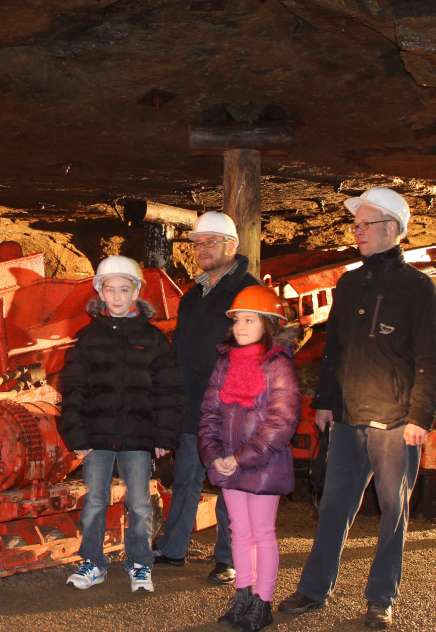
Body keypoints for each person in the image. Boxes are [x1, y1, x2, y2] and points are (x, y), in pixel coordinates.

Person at [279, 187, 435, 629]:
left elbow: (429, 358)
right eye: (356, 225)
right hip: (348, 418)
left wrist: (421, 418)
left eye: (364, 225)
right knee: (334, 505)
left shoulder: (418, 288)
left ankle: (381, 597)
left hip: (396, 422)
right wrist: (326, 403)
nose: (357, 232)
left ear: (391, 228)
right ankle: (314, 589)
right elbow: (336, 350)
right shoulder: (349, 283)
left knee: (392, 512)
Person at [58, 256, 178, 593]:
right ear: (100, 292)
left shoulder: (153, 340)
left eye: (124, 289)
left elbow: (168, 390)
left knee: (139, 503)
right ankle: (93, 562)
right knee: (95, 500)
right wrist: (76, 434)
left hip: (138, 438)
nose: (117, 296)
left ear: (137, 292)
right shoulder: (87, 338)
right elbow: (74, 389)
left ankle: (140, 564)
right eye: (110, 289)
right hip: (97, 437)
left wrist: (163, 436)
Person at [154, 211, 258, 584]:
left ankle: (228, 559)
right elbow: (182, 348)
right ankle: (174, 548)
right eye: (197, 244)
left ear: (232, 246)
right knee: (186, 478)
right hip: (192, 403)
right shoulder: (193, 295)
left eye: (210, 243)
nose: (201, 250)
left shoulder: (248, 291)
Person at [199, 285, 300, 631]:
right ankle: (243, 595)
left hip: (262, 466)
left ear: (268, 324)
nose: (240, 327)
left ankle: (263, 602)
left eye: (249, 320)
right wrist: (214, 456)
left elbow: (281, 421)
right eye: (238, 320)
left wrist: (240, 458)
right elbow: (210, 411)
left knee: (262, 532)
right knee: (238, 530)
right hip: (229, 464)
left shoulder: (278, 366)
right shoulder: (225, 362)